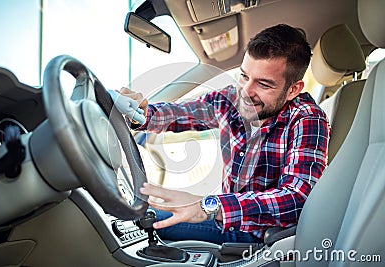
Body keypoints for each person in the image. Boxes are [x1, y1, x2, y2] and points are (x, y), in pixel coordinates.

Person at [117, 24, 330, 245]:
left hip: (261, 236)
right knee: (142, 214)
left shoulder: (307, 118)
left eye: (263, 84)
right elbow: (178, 114)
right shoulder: (229, 99)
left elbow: (297, 198)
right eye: (244, 76)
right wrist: (141, 114)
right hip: (225, 220)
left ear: (293, 90)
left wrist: (209, 206)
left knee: (141, 220)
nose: (246, 92)